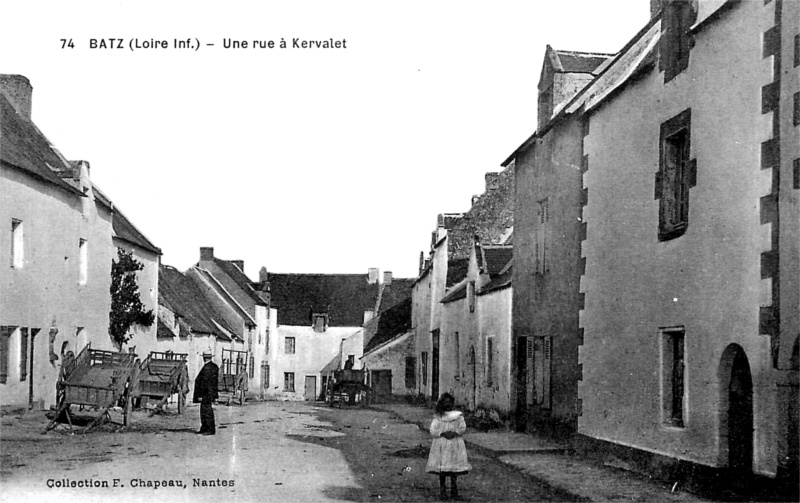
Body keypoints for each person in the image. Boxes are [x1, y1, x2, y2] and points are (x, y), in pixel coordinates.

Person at [426, 392, 471, 500]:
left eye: (449, 402)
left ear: (452, 403)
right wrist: (442, 433)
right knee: (442, 470)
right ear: (442, 404)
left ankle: (454, 492)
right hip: (441, 446)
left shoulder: (458, 417)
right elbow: (433, 429)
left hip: (454, 445)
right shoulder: (438, 417)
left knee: (453, 469)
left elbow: (463, 427)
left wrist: (455, 432)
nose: (448, 405)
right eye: (445, 403)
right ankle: (443, 492)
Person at [193, 352, 219, 435]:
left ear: (204, 358)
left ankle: (209, 429)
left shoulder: (207, 368)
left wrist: (200, 395)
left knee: (206, 411)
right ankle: (204, 428)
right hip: (210, 392)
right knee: (205, 410)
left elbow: (204, 383)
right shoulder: (214, 366)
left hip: (205, 393)